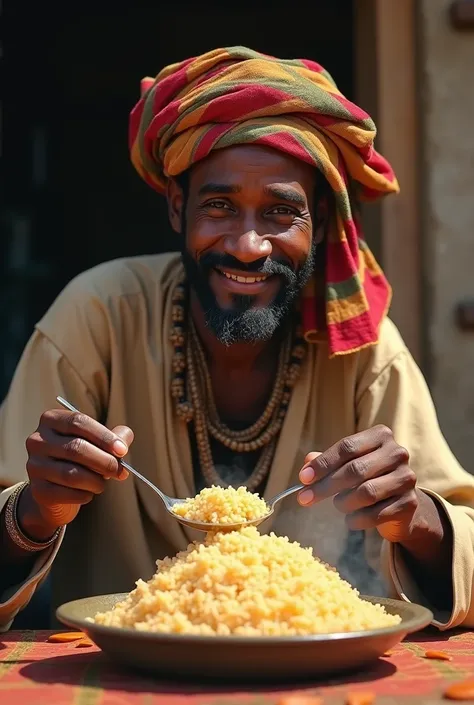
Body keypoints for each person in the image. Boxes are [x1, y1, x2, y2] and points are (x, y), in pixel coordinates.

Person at [1, 46, 473, 632]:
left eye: (280, 212)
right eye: (219, 206)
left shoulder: (362, 344)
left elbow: (463, 544)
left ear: (320, 223)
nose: (249, 246)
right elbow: (13, 510)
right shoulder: (98, 315)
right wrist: (34, 511)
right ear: (178, 208)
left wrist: (416, 517)